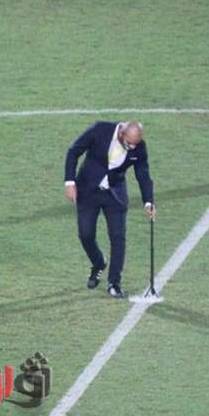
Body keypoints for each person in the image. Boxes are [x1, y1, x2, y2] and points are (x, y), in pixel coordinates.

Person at [64, 121, 156, 299]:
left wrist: (148, 201)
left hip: (115, 195)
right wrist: (69, 181)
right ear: (121, 133)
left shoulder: (139, 147)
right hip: (88, 191)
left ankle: (114, 283)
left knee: (117, 237)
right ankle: (99, 263)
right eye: (129, 143)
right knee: (85, 235)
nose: (132, 147)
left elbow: (143, 173)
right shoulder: (100, 130)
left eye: (135, 144)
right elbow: (73, 151)